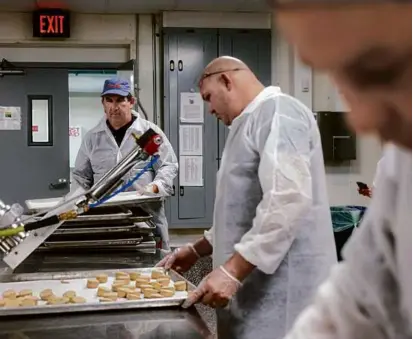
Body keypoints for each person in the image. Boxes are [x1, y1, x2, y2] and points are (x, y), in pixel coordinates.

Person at [157, 56, 337, 338]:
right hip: (253, 295)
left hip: (284, 296)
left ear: (227, 80)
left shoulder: (279, 113)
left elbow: (287, 201)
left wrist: (231, 272)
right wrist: (196, 250)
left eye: (208, 97)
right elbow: (240, 214)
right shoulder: (246, 125)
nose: (209, 109)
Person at [271, 1, 412, 338]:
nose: (360, 121)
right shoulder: (402, 162)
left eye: (380, 69)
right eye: (335, 73)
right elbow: (356, 301)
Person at [71, 78, 178, 251]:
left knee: (153, 267)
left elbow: (169, 165)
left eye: (120, 100)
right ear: (103, 103)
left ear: (131, 102)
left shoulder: (150, 133)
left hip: (146, 216)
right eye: (109, 100)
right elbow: (80, 177)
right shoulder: (92, 138)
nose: (114, 107)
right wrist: (78, 202)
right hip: (107, 217)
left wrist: (156, 186)